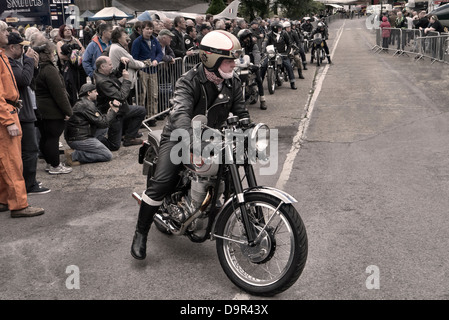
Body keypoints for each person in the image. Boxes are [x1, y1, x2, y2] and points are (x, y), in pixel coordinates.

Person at [130, 30, 250, 260]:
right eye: (228, 60)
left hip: (213, 138)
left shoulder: (232, 82)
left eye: (234, 59)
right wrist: (193, 141)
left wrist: (249, 131)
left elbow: (242, 113)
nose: (234, 64)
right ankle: (140, 234)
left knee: (232, 181)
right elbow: (181, 114)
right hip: (178, 137)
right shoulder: (188, 81)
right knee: (162, 182)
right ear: (211, 59)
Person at [0, 20, 45, 217]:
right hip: (6, 113)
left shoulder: (2, 55)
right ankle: (19, 204)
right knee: (12, 162)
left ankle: (4, 200)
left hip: (9, 110)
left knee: (6, 162)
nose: (7, 33)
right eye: (4, 31)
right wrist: (8, 120)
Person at [5, 32, 51, 194]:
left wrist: (34, 66)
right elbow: (23, 80)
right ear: (12, 47)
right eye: (21, 47)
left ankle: (28, 183)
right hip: (20, 113)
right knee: (29, 150)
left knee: (28, 150)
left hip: (25, 111)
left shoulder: (15, 61)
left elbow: (30, 81)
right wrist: (29, 60)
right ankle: (29, 185)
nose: (25, 50)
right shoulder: (8, 62)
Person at [32, 35, 73, 175]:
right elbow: (59, 93)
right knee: (52, 138)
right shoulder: (49, 69)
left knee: (46, 137)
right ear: (48, 53)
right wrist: (68, 111)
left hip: (42, 109)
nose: (54, 55)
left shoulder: (37, 68)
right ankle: (55, 165)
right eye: (53, 52)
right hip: (51, 110)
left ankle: (51, 164)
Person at [94, 56, 146, 150]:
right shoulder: (102, 82)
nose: (112, 66)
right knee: (114, 146)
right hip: (114, 113)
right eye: (110, 64)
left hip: (122, 109)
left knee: (141, 111)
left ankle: (130, 138)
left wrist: (122, 64)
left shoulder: (105, 74)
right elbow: (121, 96)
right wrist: (126, 80)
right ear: (102, 66)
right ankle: (94, 140)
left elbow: (116, 73)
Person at [64, 83, 119, 164]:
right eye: (95, 91)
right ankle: (74, 155)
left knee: (104, 128)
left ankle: (91, 148)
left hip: (77, 137)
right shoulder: (86, 105)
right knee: (107, 155)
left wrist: (109, 112)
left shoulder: (83, 103)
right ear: (89, 93)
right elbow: (104, 123)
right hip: (79, 139)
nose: (97, 93)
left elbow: (100, 121)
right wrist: (113, 111)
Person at [131, 20, 162, 121]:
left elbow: (160, 53)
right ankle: (140, 118)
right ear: (142, 30)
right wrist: (143, 63)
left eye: (151, 29)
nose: (149, 31)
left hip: (153, 70)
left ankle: (152, 116)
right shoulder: (137, 42)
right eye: (147, 29)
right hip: (142, 71)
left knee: (153, 94)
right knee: (142, 95)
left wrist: (156, 60)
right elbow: (134, 57)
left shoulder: (155, 40)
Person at [108, 27, 146, 105]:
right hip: (123, 82)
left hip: (123, 82)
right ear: (118, 38)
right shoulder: (118, 49)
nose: (127, 37)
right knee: (127, 105)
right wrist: (143, 64)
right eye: (125, 35)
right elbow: (132, 63)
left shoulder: (117, 47)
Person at [261, 21, 297, 90]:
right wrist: (263, 52)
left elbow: (289, 44)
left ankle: (292, 82)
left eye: (281, 27)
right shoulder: (269, 34)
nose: (281, 29)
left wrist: (286, 53)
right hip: (271, 54)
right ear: (274, 28)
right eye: (279, 27)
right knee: (263, 66)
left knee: (289, 66)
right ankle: (259, 83)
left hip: (282, 54)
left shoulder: (284, 33)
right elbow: (264, 43)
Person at [237, 29, 268, 110]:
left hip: (252, 65)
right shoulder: (238, 46)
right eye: (245, 38)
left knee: (259, 79)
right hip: (239, 66)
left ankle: (262, 99)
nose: (247, 39)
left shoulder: (253, 45)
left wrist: (257, 64)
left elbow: (256, 54)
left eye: (248, 37)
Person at [56, 24, 87, 105]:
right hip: (68, 69)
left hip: (79, 68)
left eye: (69, 29)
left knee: (81, 86)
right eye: (65, 30)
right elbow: (61, 56)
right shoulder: (60, 43)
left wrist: (73, 56)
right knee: (70, 88)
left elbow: (83, 51)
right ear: (62, 32)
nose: (68, 31)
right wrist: (75, 57)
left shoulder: (76, 40)